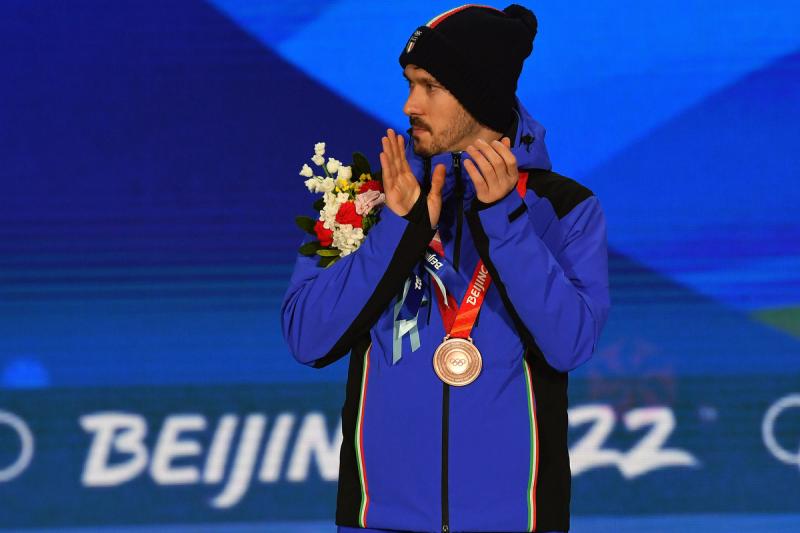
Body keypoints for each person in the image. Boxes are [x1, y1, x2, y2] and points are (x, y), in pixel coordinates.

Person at [281, 4, 610, 532]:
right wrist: (398, 229)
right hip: (378, 522)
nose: (409, 104)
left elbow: (570, 344)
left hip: (518, 522)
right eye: (409, 83)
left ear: (479, 95)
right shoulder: (364, 199)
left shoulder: (563, 208)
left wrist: (505, 222)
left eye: (429, 86)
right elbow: (306, 338)